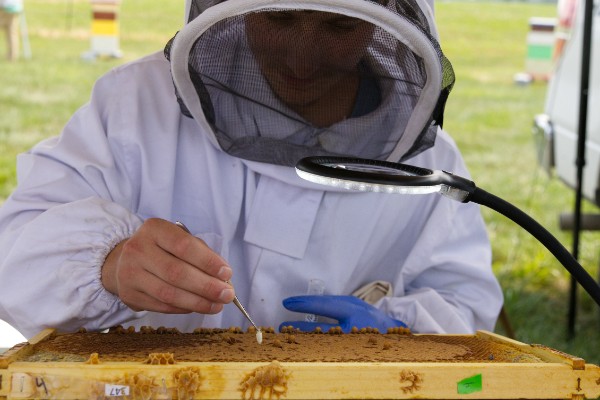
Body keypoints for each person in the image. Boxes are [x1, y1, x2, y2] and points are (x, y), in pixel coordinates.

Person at [0, 0, 503, 339]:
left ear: (387, 18)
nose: (302, 58)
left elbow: (467, 304)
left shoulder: (428, 168)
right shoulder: (135, 108)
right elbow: (14, 257)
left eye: (339, 25)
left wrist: (396, 331)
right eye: (279, 16)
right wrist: (108, 264)